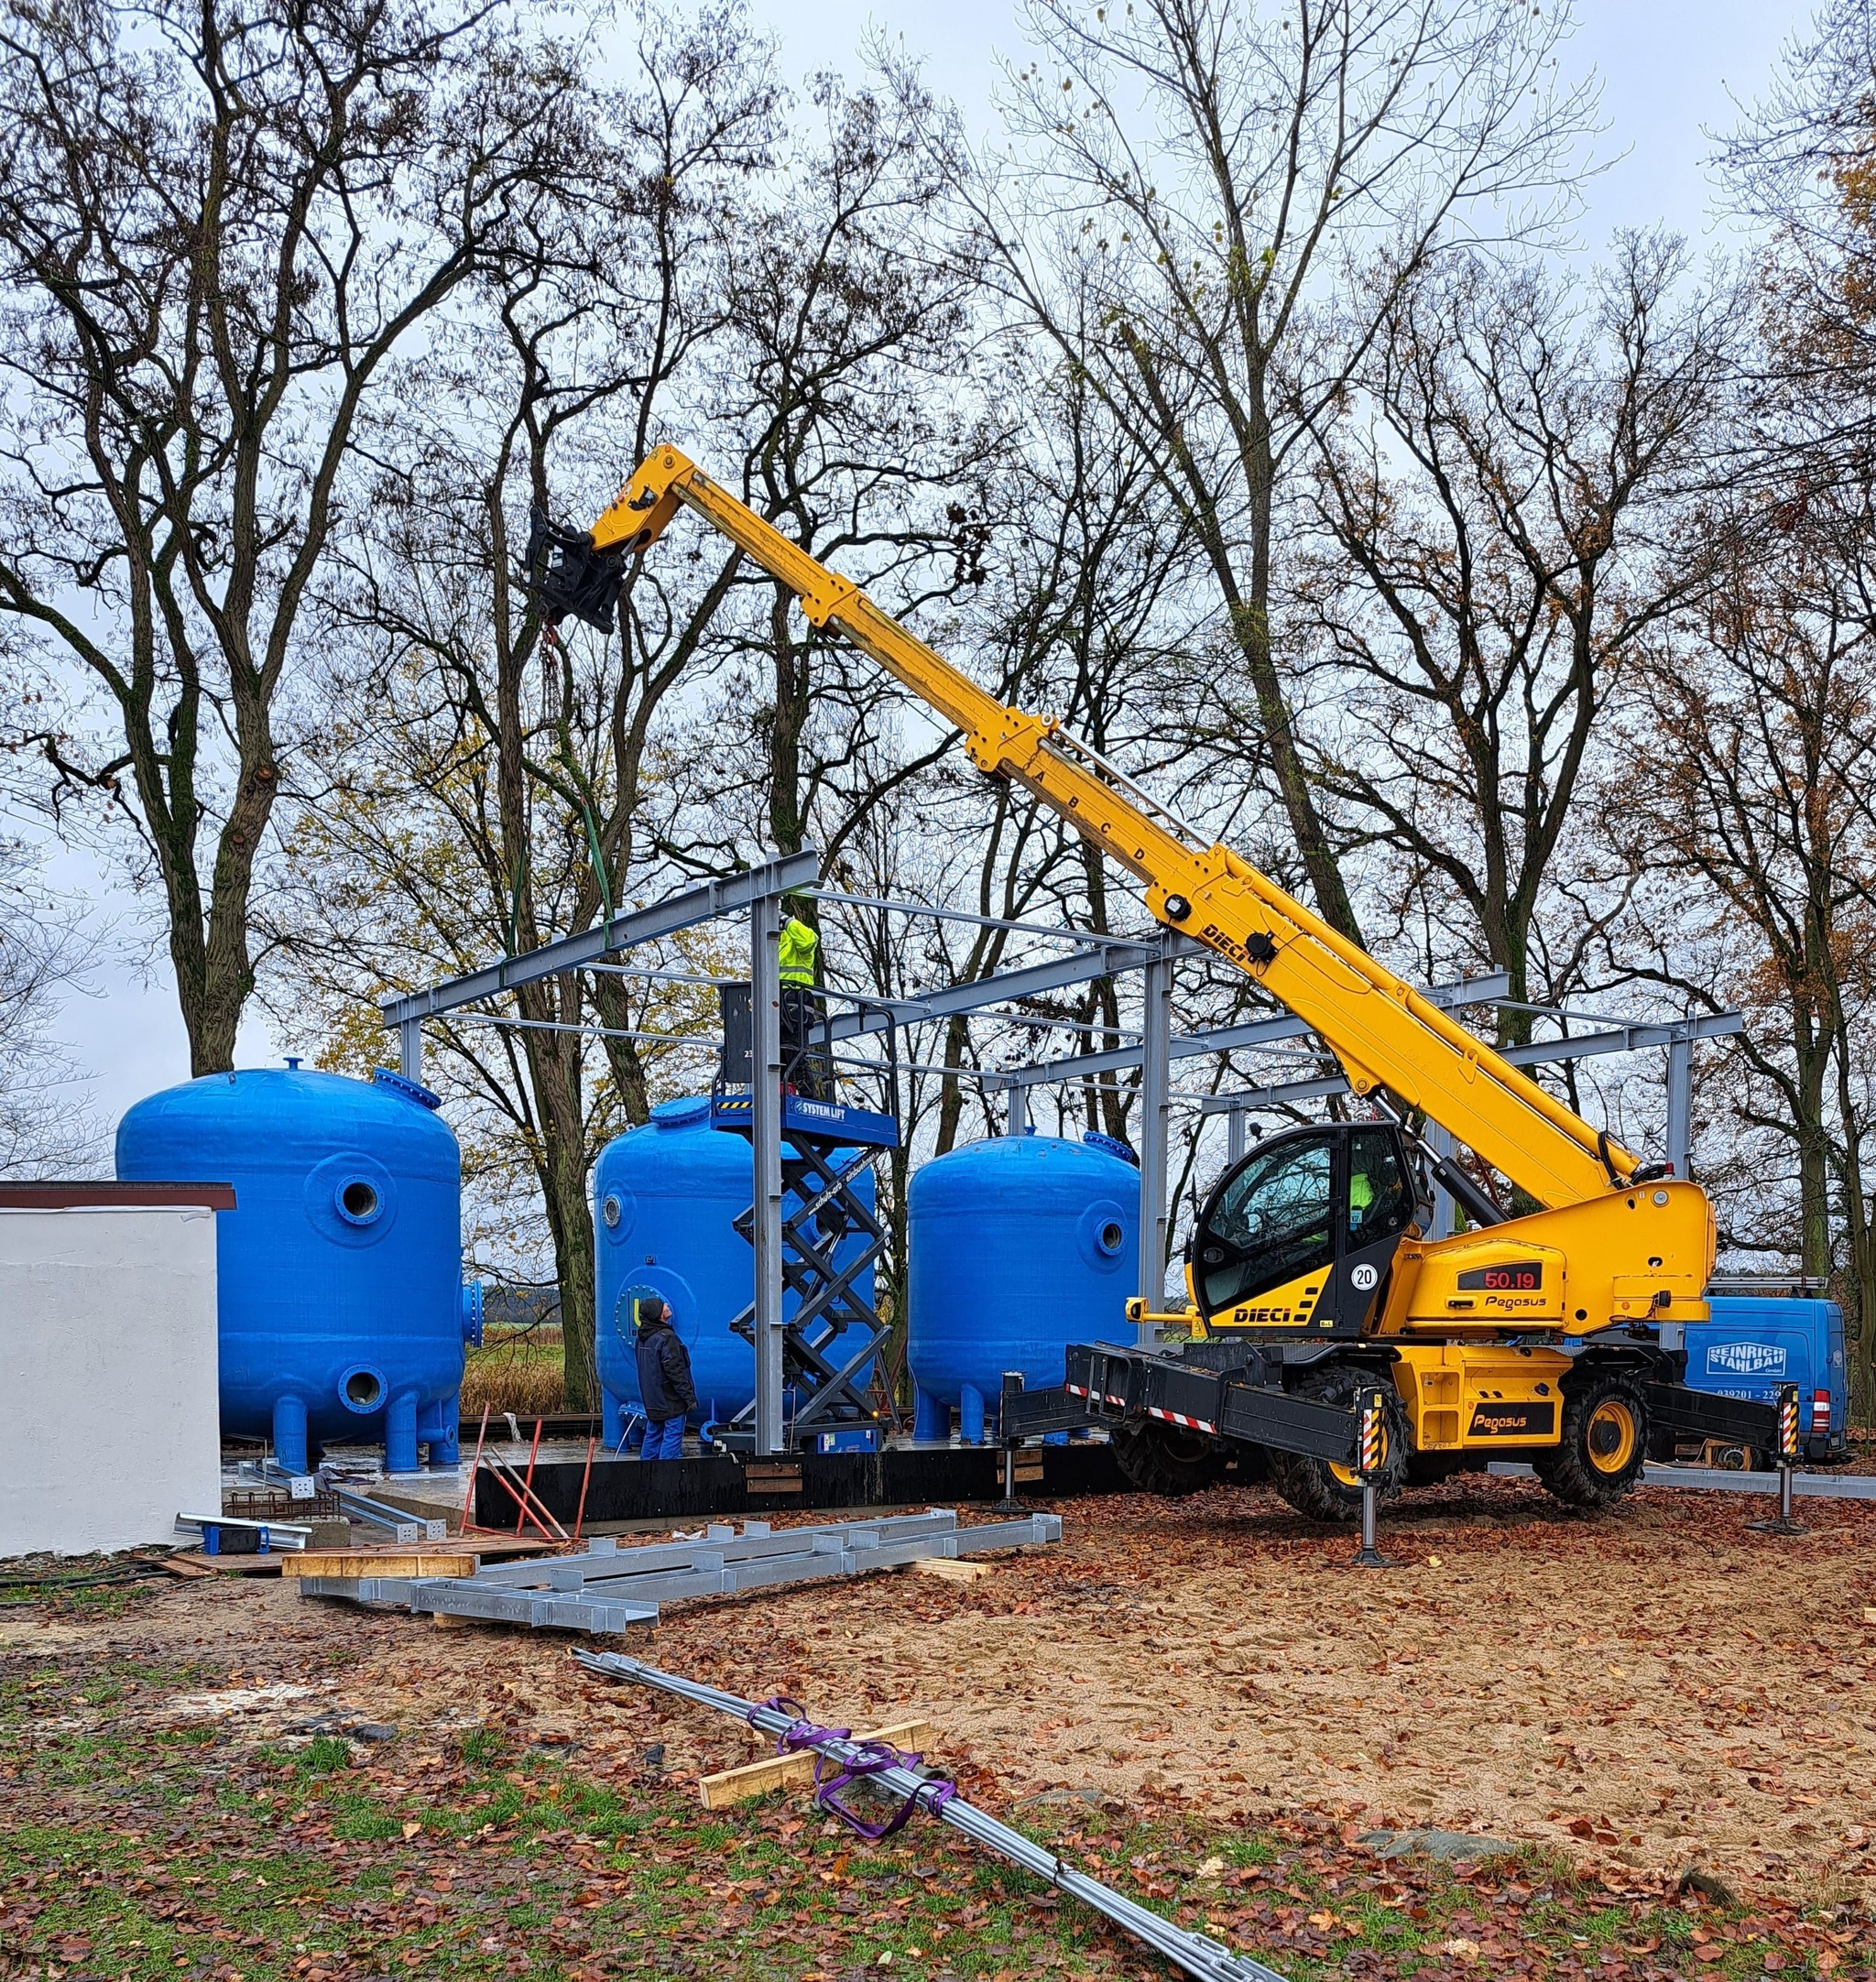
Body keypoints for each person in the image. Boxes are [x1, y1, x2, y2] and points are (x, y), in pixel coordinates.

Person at [633, 1294, 694, 1462]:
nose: (667, 1305)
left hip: (652, 1398)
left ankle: (645, 1472)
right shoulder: (667, 1338)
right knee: (672, 1436)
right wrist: (689, 1398)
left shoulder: (642, 1339)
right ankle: (667, 1473)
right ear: (658, 1314)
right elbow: (676, 1372)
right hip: (670, 1399)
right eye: (662, 1305)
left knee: (653, 1434)